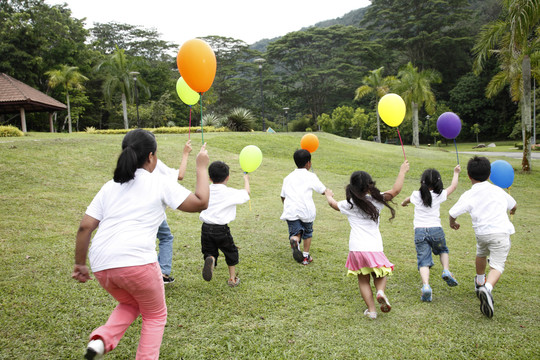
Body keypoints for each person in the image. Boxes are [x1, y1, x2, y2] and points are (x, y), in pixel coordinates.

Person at [72, 129, 209, 359]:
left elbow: (85, 227)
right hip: (137, 264)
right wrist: (202, 166)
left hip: (102, 266)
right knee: (155, 315)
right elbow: (201, 202)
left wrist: (80, 264)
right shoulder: (159, 183)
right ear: (151, 156)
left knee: (132, 303)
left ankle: (101, 339)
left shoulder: (110, 186)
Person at [325, 160, 409, 319]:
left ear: (352, 187)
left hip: (356, 249)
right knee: (380, 274)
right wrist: (402, 171)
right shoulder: (377, 200)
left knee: (363, 281)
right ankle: (380, 291)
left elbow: (333, 204)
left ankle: (372, 311)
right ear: (370, 185)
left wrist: (328, 196)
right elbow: (396, 190)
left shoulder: (348, 204)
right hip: (374, 247)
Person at [449, 156, 517, 318]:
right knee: (497, 266)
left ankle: (480, 281)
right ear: (489, 175)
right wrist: (513, 211)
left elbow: (452, 212)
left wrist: (453, 222)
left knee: (481, 253)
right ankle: (487, 288)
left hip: (482, 234)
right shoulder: (498, 190)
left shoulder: (469, 194)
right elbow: (513, 205)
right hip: (501, 233)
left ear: (469, 175)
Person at [401, 165, 461, 302]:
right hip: (436, 229)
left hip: (420, 231)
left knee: (423, 260)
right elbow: (453, 186)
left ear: (422, 182)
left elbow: (407, 199)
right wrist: (456, 172)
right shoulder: (440, 195)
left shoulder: (416, 195)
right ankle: (446, 270)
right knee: (442, 250)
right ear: (438, 182)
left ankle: (426, 286)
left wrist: (404, 203)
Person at [199, 161, 250, 287]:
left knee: (209, 251)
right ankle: (232, 279)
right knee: (230, 251)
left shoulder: (205, 190)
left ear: (210, 178)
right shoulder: (230, 192)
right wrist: (246, 179)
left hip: (205, 227)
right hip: (221, 229)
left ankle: (211, 258)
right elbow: (246, 193)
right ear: (227, 177)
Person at [280, 149, 329, 265]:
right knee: (307, 233)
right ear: (308, 163)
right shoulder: (311, 176)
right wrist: (329, 193)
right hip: (306, 211)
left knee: (295, 232)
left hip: (291, 211)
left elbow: (282, 196)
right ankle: (306, 256)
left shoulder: (288, 178)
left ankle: (295, 240)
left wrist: (287, 206)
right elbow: (322, 190)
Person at [153, 139, 192, 284]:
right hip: (154, 213)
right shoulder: (153, 163)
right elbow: (180, 175)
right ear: (151, 153)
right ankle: (162, 272)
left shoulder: (126, 165)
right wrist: (185, 153)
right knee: (165, 237)